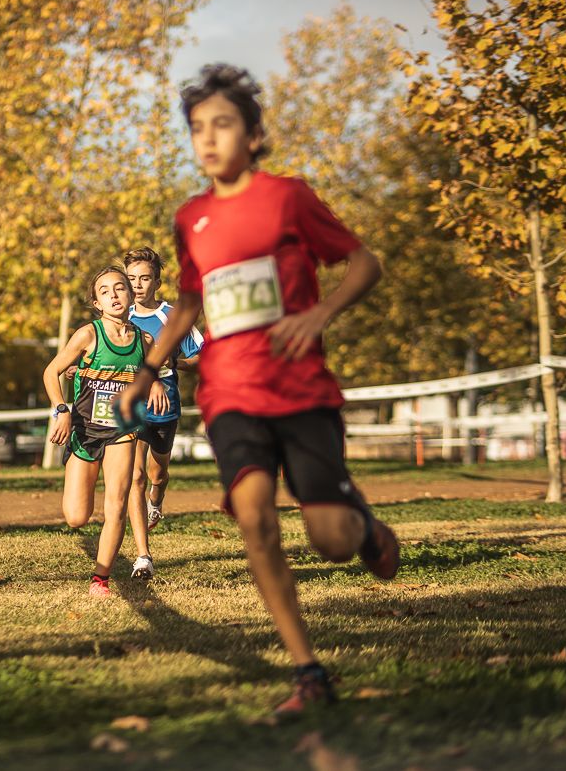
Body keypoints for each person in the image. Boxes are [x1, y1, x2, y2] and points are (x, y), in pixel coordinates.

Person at [115, 63, 400, 714]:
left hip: (300, 389)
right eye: (196, 129)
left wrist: (319, 313)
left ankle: (358, 525)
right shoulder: (191, 219)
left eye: (223, 124)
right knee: (253, 518)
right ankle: (307, 671)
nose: (208, 139)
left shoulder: (288, 198)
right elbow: (188, 304)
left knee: (326, 538)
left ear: (253, 134)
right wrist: (144, 371)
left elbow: (364, 262)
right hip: (229, 393)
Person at [43, 266, 166, 597]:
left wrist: (154, 384)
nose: (114, 295)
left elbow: (151, 371)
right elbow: (51, 371)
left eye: (120, 289)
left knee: (117, 503)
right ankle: (81, 494)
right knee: (76, 517)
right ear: (96, 302)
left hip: (123, 429)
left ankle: (101, 579)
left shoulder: (145, 340)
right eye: (105, 291)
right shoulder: (88, 335)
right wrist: (61, 409)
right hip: (84, 430)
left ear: (130, 295)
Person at [124, 247, 204, 551]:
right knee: (136, 474)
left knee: (157, 474)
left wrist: (176, 363)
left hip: (164, 405)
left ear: (157, 282)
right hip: (131, 403)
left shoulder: (171, 316)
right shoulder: (119, 314)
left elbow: (202, 355)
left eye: (144, 279)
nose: (137, 285)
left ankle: (156, 498)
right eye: (131, 279)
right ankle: (141, 546)